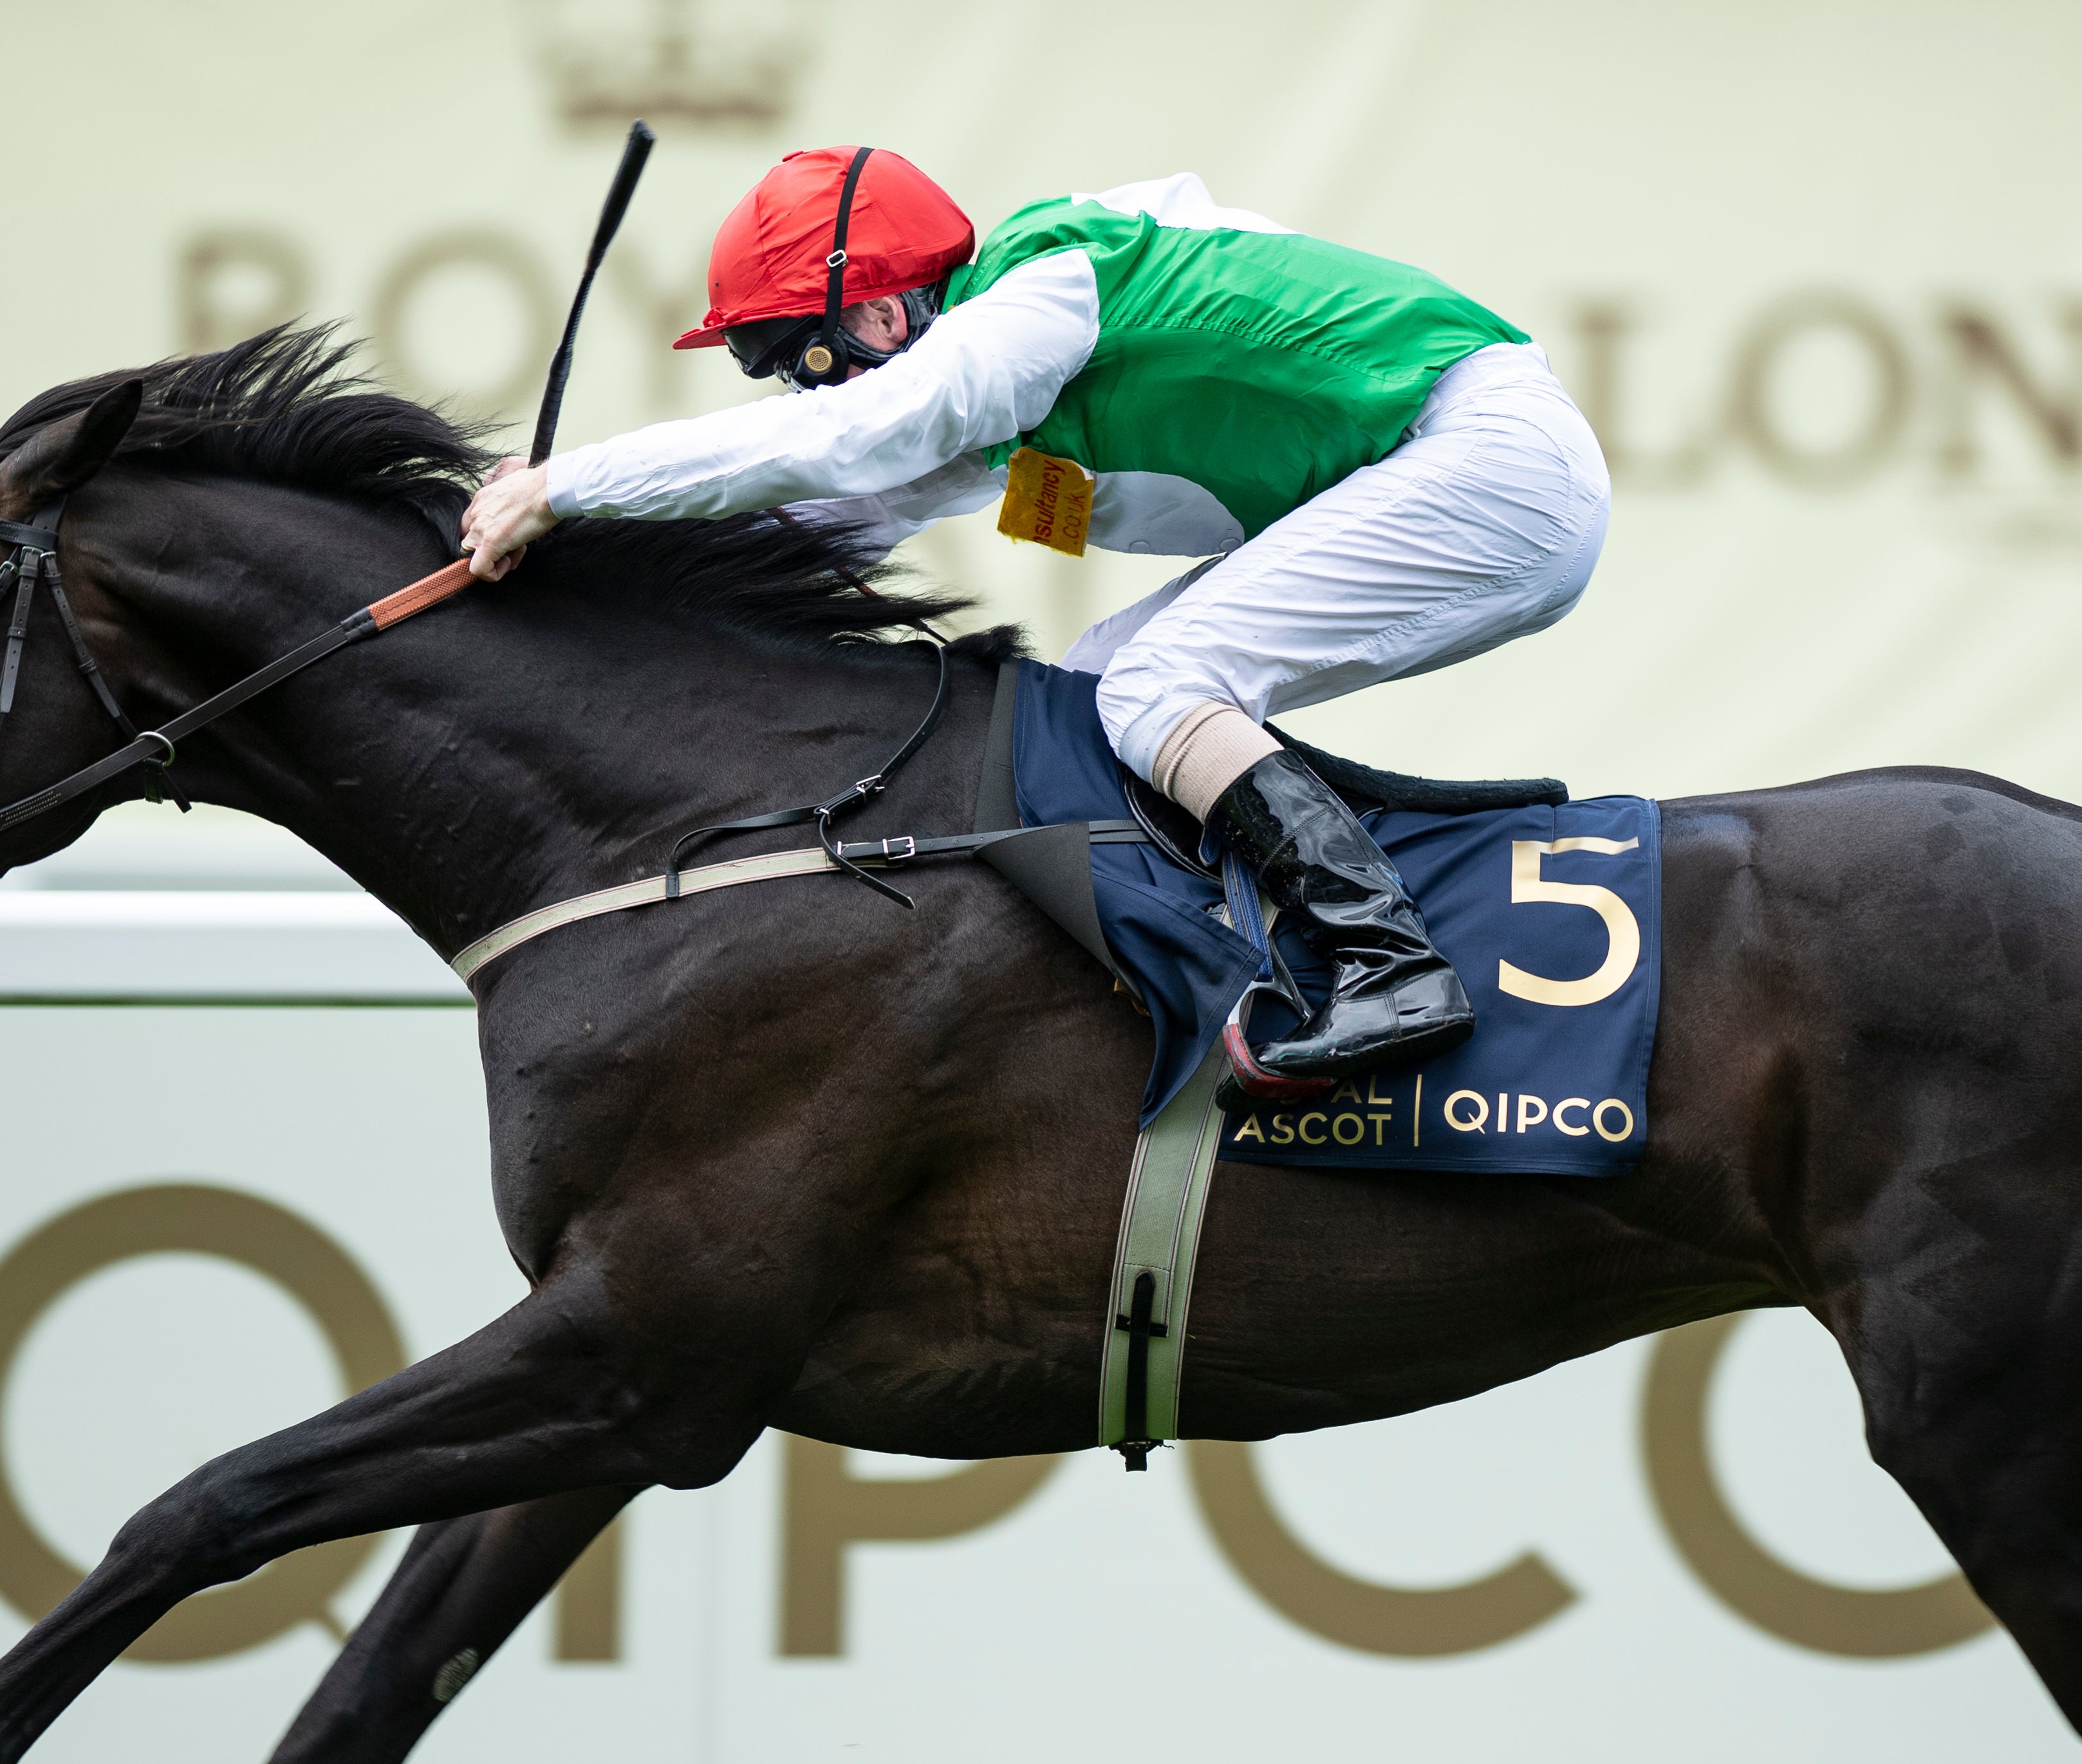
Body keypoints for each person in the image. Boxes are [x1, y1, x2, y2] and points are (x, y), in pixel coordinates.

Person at [460, 146, 1611, 1089]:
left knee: (1157, 688)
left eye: (807, 355)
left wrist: (572, 483)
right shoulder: (995, 397)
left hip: (1489, 460)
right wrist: (579, 567)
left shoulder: (1039, 290)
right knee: (1099, 683)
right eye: (784, 374)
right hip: (1452, 468)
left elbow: (861, 438)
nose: (811, 389)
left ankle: (1390, 963)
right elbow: (813, 528)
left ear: (878, 306)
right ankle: (1254, 945)